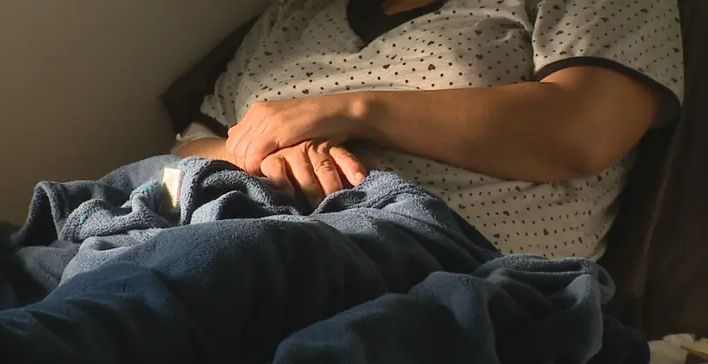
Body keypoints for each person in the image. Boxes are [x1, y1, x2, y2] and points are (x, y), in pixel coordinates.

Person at [172, 0, 684, 260]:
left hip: (440, 262)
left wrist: (353, 111)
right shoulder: (291, 17)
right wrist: (269, 154)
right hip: (226, 231)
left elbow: (583, 130)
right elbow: (186, 150)